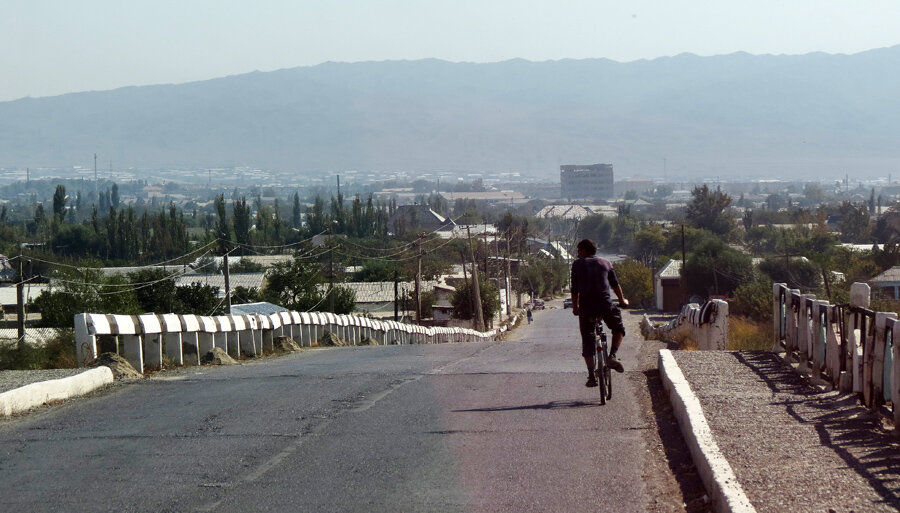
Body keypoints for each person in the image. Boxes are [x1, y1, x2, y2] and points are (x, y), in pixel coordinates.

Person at [570, 238, 629, 387]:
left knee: (587, 340)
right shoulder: (606, 263)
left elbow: (574, 289)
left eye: (579, 250)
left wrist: (575, 308)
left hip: (586, 307)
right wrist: (622, 301)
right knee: (618, 329)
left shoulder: (577, 264)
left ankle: (591, 376)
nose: (578, 254)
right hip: (605, 305)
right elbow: (615, 285)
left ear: (584, 250)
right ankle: (612, 356)